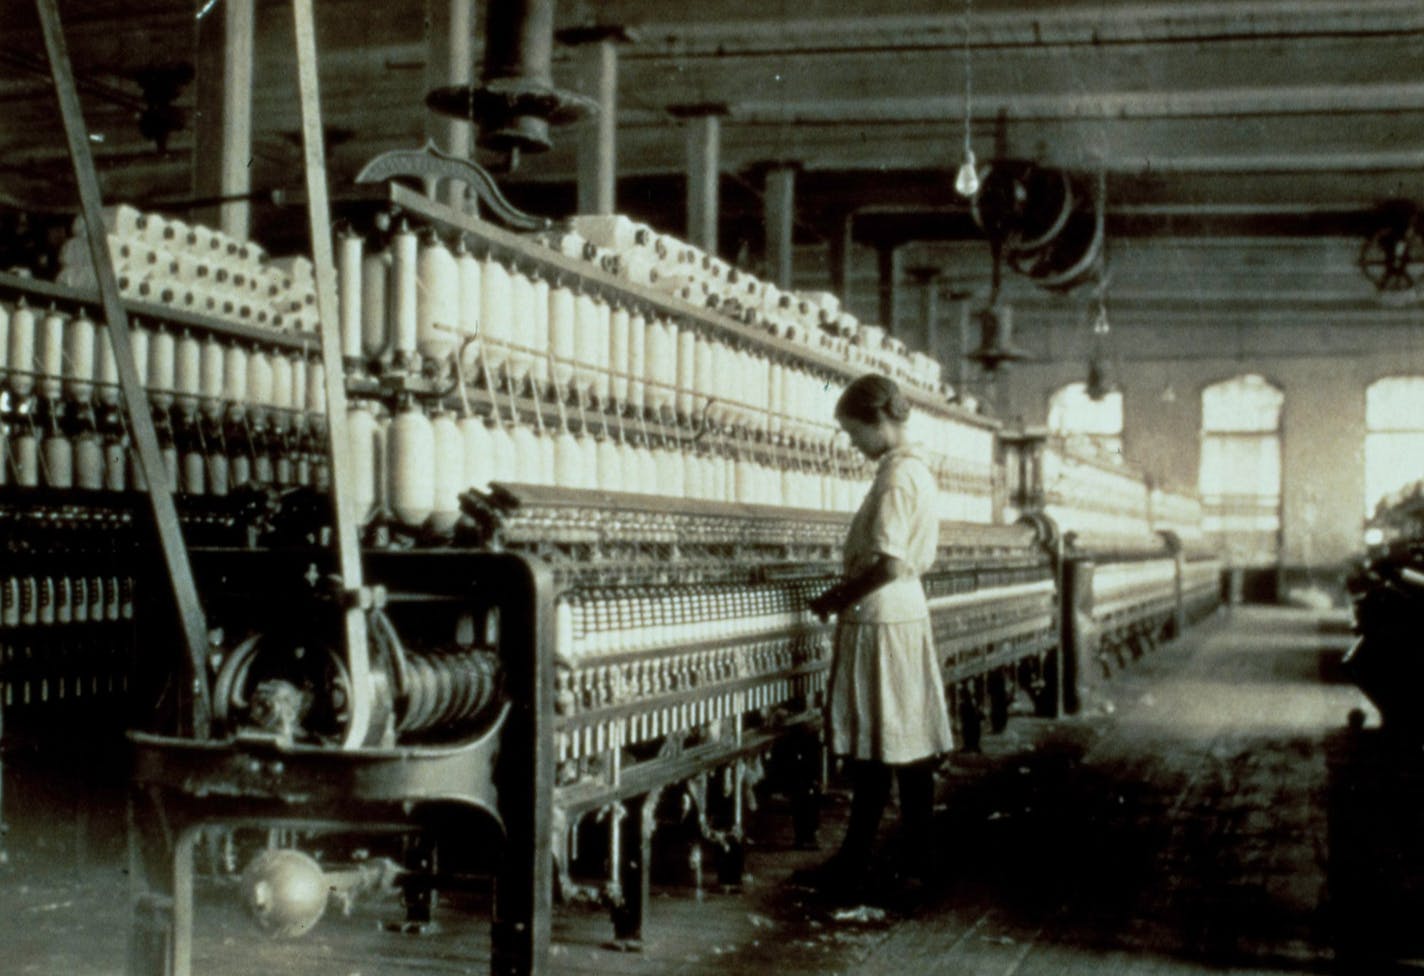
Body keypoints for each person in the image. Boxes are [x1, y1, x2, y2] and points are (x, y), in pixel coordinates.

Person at [799, 373, 953, 896]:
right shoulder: (916, 471)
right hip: (901, 614)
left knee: (877, 749)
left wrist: (833, 599)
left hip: (881, 616)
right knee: (902, 745)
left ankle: (866, 861)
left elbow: (887, 564)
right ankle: (910, 858)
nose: (852, 443)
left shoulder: (894, 478)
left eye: (852, 431)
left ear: (879, 420)